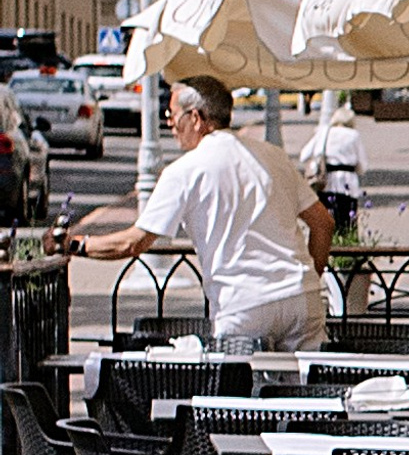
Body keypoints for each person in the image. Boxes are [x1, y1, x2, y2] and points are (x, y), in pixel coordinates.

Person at [60, 76, 334, 351]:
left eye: (172, 115)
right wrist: (310, 277)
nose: (170, 124)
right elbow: (323, 223)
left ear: (195, 118)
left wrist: (74, 244)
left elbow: (134, 242)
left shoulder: (184, 171)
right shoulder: (273, 156)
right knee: (305, 377)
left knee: (241, 378)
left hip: (243, 303)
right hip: (302, 296)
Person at [299, 99, 367, 238]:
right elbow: (363, 165)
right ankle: (346, 247)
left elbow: (304, 155)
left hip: (325, 182)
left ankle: (327, 246)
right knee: (347, 222)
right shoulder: (353, 135)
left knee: (325, 222)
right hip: (348, 183)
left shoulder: (324, 132)